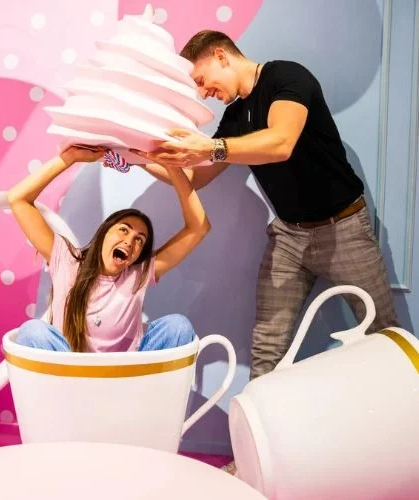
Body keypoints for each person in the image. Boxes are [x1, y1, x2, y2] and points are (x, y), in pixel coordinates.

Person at [133, 30, 400, 379]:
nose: (203, 92)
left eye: (201, 80)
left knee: (384, 335)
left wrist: (211, 147)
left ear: (221, 56)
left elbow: (281, 142)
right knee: (266, 348)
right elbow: (197, 177)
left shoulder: (286, 76)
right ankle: (254, 415)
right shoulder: (235, 117)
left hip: (344, 229)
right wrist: (137, 157)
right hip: (289, 237)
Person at [7, 145, 211, 353]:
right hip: (71, 368)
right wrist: (70, 158)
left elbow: (199, 228)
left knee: (177, 326)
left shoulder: (138, 275)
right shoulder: (67, 261)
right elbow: (18, 199)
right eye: (124, 230)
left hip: (126, 369)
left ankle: (139, 376)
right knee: (33, 331)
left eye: (139, 240)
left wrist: (173, 169)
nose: (130, 241)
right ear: (103, 233)